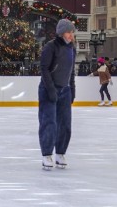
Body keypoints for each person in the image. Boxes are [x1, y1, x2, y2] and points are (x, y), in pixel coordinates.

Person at [38, 18, 76, 171]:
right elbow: (44, 68)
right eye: (68, 32)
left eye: (72, 32)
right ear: (61, 33)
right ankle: (47, 154)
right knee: (49, 123)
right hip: (49, 90)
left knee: (65, 124)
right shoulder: (51, 47)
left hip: (65, 90)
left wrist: (72, 89)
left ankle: (60, 153)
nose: (71, 35)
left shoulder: (72, 49)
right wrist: (51, 90)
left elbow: (71, 71)